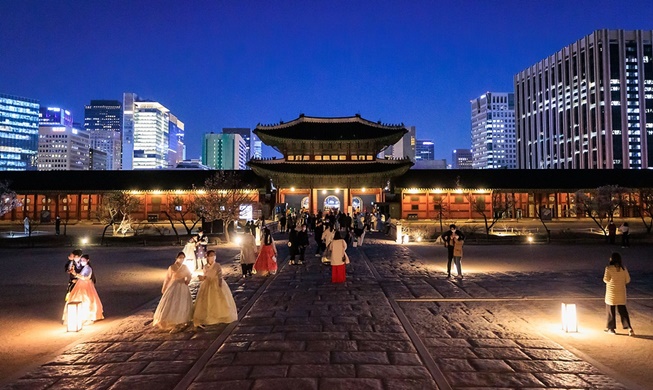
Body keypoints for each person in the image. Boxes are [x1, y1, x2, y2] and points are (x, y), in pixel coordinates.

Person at [193, 250, 238, 327]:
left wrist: (219, 283)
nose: (212, 257)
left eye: (214, 255)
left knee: (218, 299)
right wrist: (202, 278)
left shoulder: (217, 265)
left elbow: (220, 274)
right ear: (207, 257)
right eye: (211, 255)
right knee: (206, 299)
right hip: (207, 283)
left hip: (216, 283)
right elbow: (205, 275)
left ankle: (220, 315)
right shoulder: (205, 266)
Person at [152, 252, 193, 332]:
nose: (182, 259)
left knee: (183, 302)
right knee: (173, 302)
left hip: (183, 286)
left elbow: (189, 275)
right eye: (180, 257)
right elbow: (167, 278)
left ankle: (183, 319)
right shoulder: (172, 267)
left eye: (183, 258)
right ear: (176, 258)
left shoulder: (185, 267)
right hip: (174, 286)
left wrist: (188, 280)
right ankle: (172, 320)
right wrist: (164, 287)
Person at [63, 254, 104, 324]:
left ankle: (88, 318)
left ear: (87, 260)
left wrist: (76, 274)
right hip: (80, 285)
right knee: (76, 299)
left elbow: (85, 277)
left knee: (87, 300)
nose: (82, 262)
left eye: (83, 260)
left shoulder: (88, 268)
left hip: (86, 286)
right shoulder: (84, 268)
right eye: (81, 260)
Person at [603, 252, 634, 336]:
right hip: (621, 293)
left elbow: (605, 279)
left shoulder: (608, 268)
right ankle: (629, 327)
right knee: (623, 311)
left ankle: (611, 328)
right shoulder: (623, 268)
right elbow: (627, 280)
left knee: (610, 311)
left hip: (611, 293)